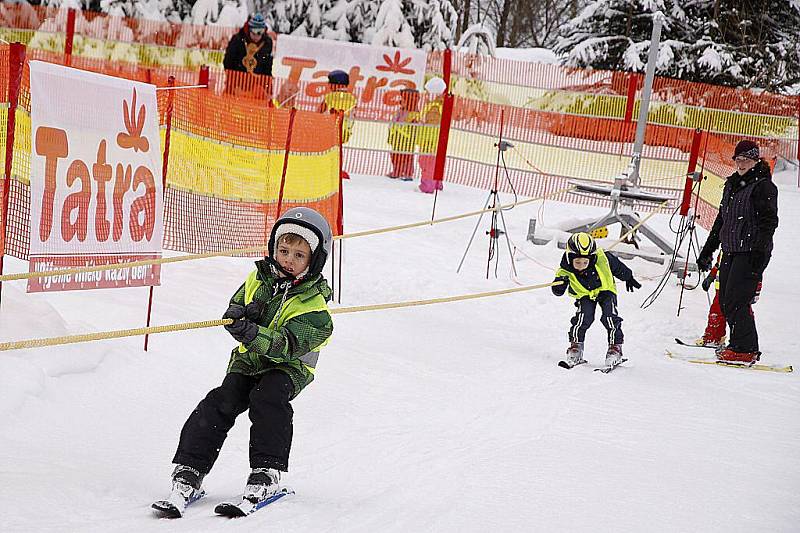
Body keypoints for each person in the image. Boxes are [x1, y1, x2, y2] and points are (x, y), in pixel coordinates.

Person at [154, 207, 334, 518]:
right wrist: (239, 315)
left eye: (299, 255)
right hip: (249, 361)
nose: (288, 259)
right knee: (220, 401)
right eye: (283, 250)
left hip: (288, 368)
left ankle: (267, 472)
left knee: (268, 399)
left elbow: (287, 346)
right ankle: (189, 472)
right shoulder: (259, 277)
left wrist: (253, 333)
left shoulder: (316, 308)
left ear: (314, 260)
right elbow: (237, 302)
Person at [696, 140, 778, 363]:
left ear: (755, 160)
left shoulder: (763, 186)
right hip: (731, 249)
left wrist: (758, 254)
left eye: (746, 160)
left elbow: (769, 222)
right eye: (738, 160)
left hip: (751, 252)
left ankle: (745, 348)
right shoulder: (731, 184)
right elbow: (722, 220)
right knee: (725, 299)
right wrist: (707, 251)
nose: (741, 164)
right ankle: (737, 344)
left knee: (737, 300)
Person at [551, 232, 641, 367]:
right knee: (583, 318)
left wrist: (628, 277)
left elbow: (618, 267)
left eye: (585, 262)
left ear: (591, 258)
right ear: (570, 258)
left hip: (606, 291)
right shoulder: (566, 269)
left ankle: (615, 348)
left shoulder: (603, 258)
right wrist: (559, 286)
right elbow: (557, 288)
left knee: (610, 317)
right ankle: (576, 346)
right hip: (585, 295)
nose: (581, 265)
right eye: (577, 262)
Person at [223, 13, 273, 95]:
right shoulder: (237, 40)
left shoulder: (267, 43)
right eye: (254, 32)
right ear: (249, 29)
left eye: (260, 32)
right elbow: (228, 62)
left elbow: (267, 68)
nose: (256, 36)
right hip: (236, 84)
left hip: (255, 87)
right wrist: (232, 84)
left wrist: (268, 90)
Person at [319, 70, 357, 179]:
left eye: (330, 83)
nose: (329, 85)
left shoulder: (330, 97)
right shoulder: (353, 98)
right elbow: (353, 114)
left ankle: (328, 168)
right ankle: (337, 168)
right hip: (345, 129)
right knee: (338, 148)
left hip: (331, 128)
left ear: (336, 84)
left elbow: (319, 112)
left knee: (329, 149)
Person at [417, 77, 446, 194]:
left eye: (428, 92)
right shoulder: (437, 106)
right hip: (434, 140)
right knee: (436, 161)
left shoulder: (434, 108)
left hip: (429, 140)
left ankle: (428, 184)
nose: (427, 95)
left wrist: (422, 123)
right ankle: (437, 182)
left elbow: (431, 124)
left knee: (427, 162)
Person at [387, 88, 419, 181]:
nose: (401, 101)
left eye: (403, 100)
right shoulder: (400, 110)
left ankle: (408, 173)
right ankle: (397, 171)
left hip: (406, 138)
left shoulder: (413, 113)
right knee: (395, 154)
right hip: (397, 137)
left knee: (407, 155)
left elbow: (413, 127)